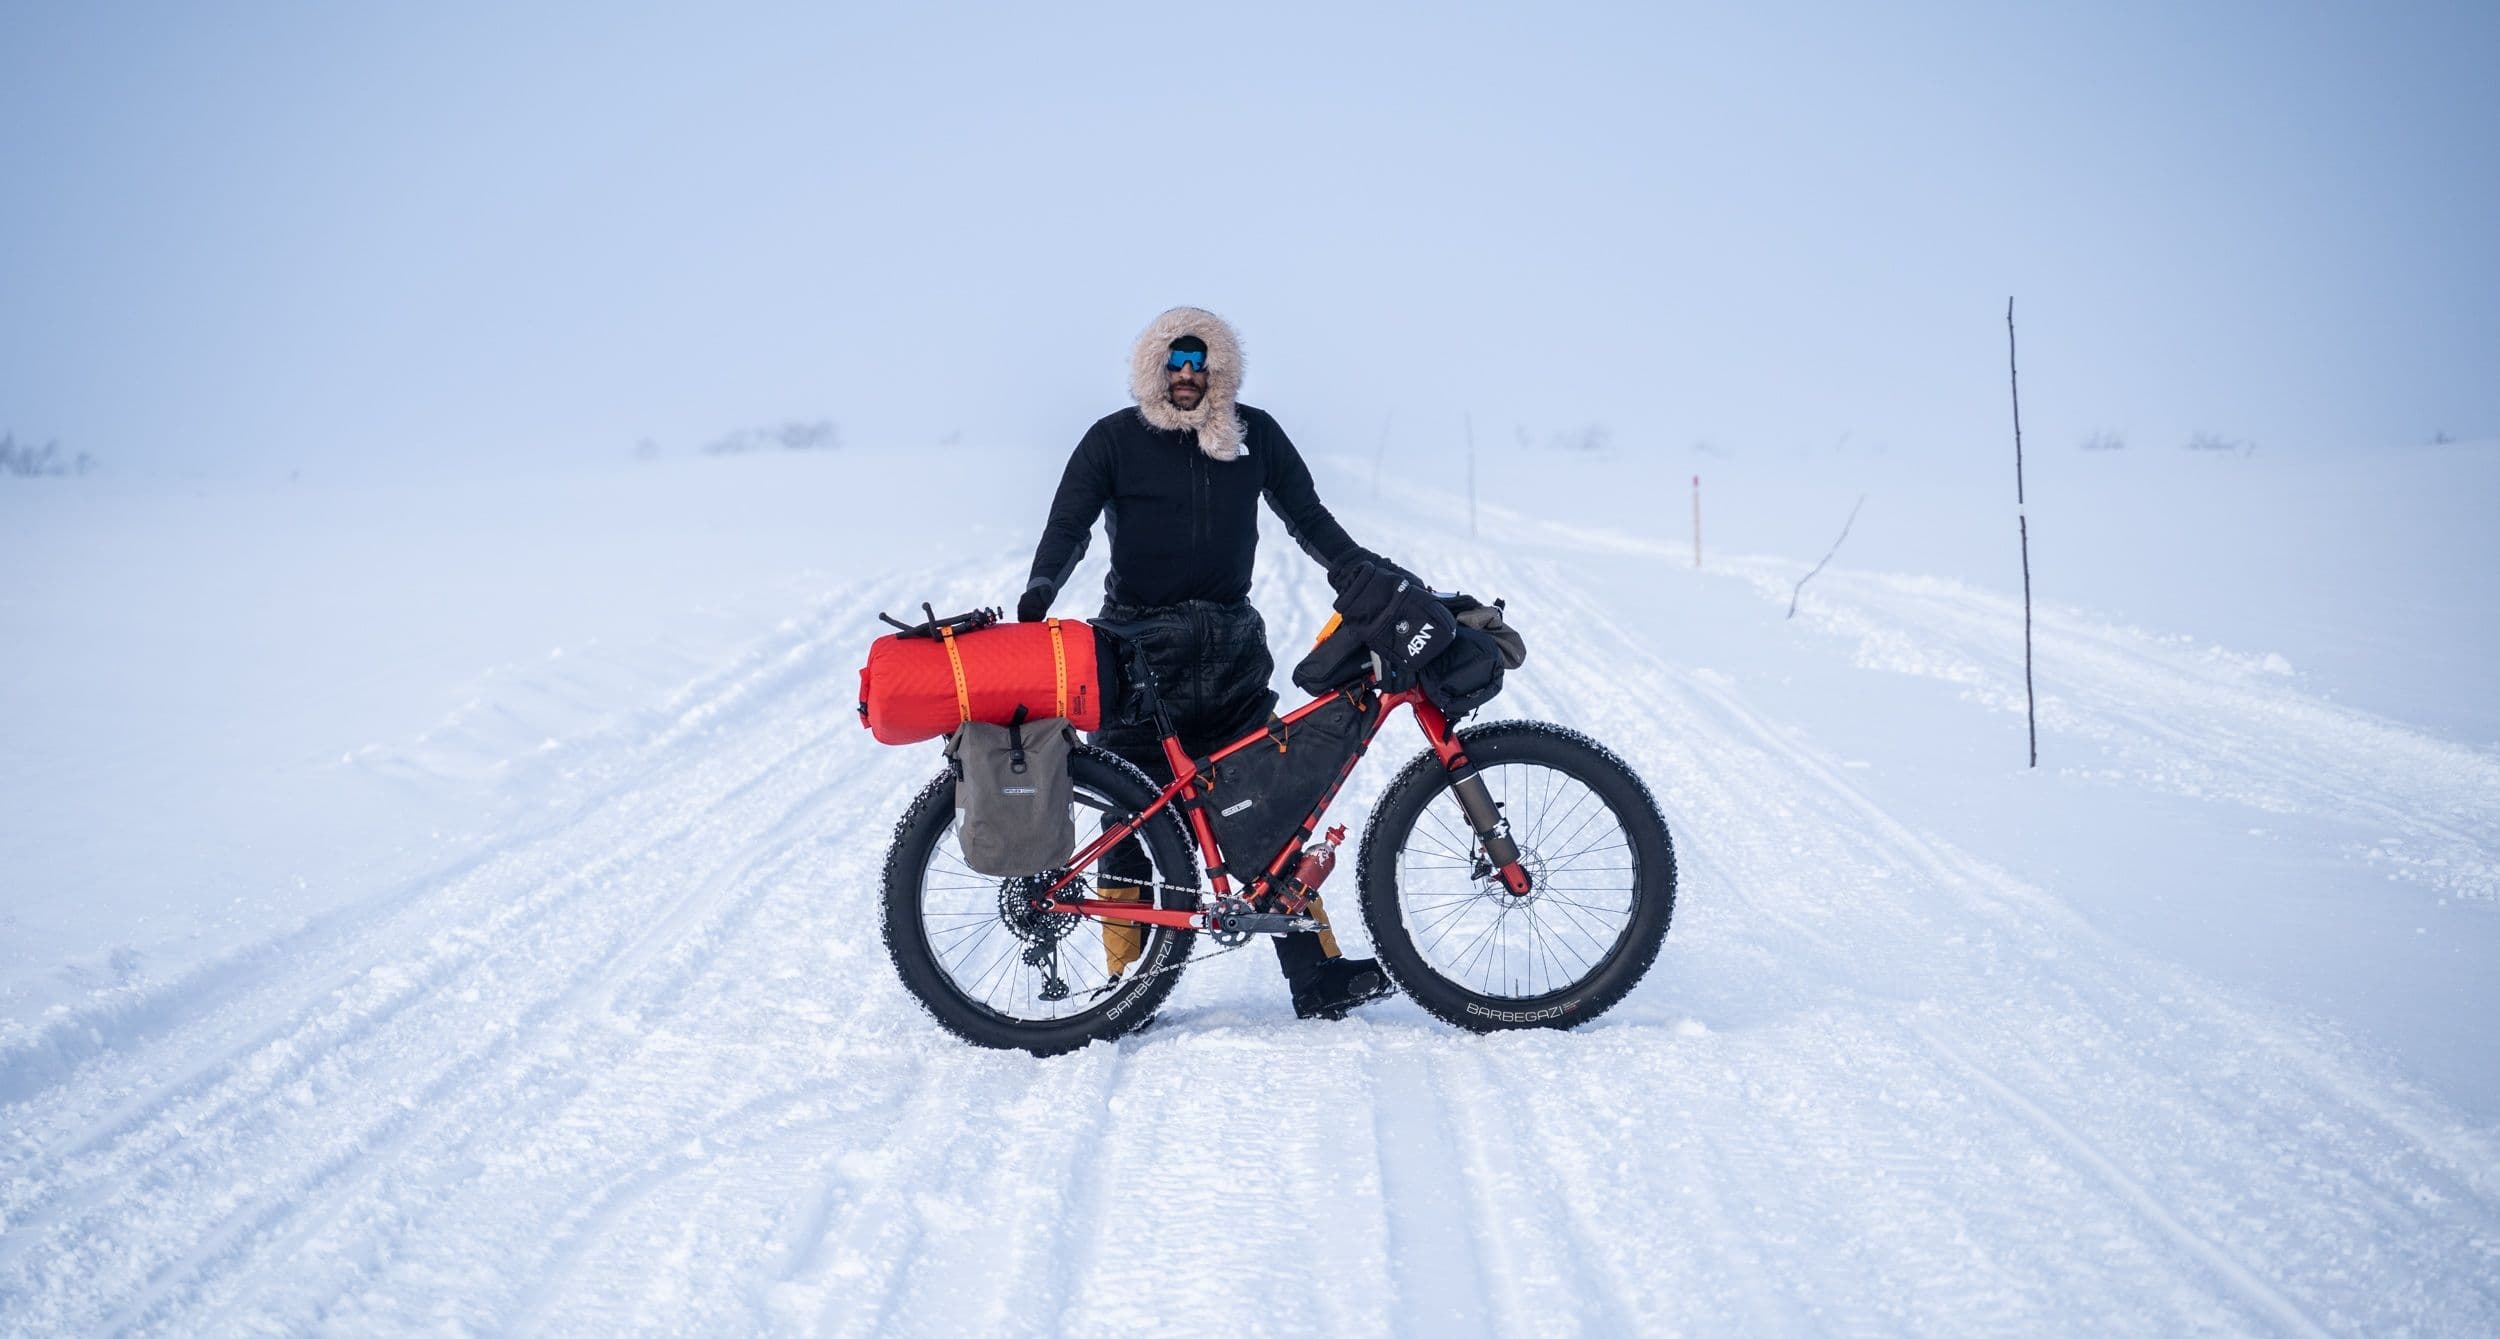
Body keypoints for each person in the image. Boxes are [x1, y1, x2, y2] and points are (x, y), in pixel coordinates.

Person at [1020, 306, 1399, 1021]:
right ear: (1153, 368)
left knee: (1273, 809)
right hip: (1137, 657)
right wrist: (1040, 591)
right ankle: (1123, 985)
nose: (1188, 375)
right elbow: (1067, 525)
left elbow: (1308, 517)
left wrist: (1365, 576)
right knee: (1127, 825)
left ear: (1219, 368)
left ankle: (1315, 976)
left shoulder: (1253, 436)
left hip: (1230, 655)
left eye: (1201, 362)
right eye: (1176, 362)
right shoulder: (1113, 440)